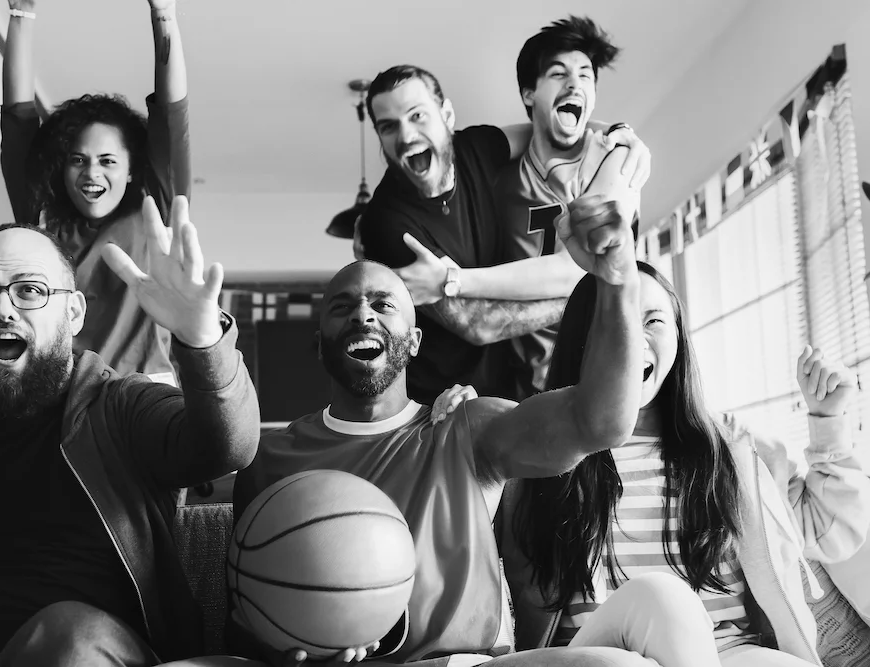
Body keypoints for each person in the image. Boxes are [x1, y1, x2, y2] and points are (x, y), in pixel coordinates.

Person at [226, 196, 697, 666]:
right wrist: (292, 643)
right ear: (319, 342)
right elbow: (241, 622)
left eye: (383, 304)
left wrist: (616, 282)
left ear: (414, 342)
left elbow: (598, 423)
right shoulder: (269, 458)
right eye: (343, 306)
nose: (363, 315)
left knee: (619, 662)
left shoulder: (468, 428)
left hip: (462, 665)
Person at [0, 196, 259, 666]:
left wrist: (203, 342)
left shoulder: (120, 405)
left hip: (73, 654)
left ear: (73, 313)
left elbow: (227, 447)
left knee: (69, 638)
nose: (3, 309)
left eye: (30, 290)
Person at [482, 262, 870, 666]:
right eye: (613, 321)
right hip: (603, 653)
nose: (633, 338)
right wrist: (454, 431)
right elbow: (461, 534)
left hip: (731, 653)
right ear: (581, 340)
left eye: (653, 320)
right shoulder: (536, 452)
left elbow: (834, 534)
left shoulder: (733, 451)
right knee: (663, 600)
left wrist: (828, 422)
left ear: (679, 338)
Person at [355, 63, 650, 404]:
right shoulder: (386, 222)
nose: (406, 136)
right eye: (389, 127)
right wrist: (590, 293)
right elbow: (479, 324)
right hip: (439, 405)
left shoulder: (476, 147)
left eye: (417, 115)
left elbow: (551, 131)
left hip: (510, 389)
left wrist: (619, 134)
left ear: (447, 116)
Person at [0, 0, 191, 384]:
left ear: (132, 168)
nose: (92, 172)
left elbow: (172, 114)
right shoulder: (41, 217)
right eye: (78, 159)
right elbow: (18, 118)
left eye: (107, 160)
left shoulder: (154, 205)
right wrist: (21, 13)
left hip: (145, 387)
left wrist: (164, 14)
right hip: (59, 388)